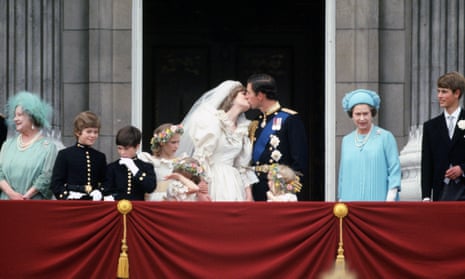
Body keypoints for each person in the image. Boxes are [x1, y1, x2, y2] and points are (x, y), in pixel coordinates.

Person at [177, 80, 258, 201]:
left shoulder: (243, 128)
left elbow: (243, 166)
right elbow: (201, 157)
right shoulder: (211, 122)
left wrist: (249, 194)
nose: (248, 96)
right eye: (243, 93)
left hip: (234, 183)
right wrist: (201, 186)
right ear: (231, 97)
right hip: (212, 179)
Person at [245, 73, 309, 201]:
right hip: (256, 188)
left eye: (248, 92)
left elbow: (299, 162)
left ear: (260, 96)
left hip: (279, 189)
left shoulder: (289, 119)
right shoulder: (255, 122)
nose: (246, 97)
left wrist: (287, 191)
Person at [338, 89, 401, 201]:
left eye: (365, 114)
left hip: (379, 201)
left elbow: (394, 169)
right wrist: (341, 198)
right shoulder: (346, 140)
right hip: (351, 201)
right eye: (357, 114)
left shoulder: (385, 137)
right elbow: (343, 175)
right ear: (351, 115)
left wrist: (391, 195)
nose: (362, 118)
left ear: (372, 114)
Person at [0, 91, 58, 200]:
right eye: (15, 115)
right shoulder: (7, 145)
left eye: (20, 115)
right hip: (6, 204)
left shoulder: (48, 148)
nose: (15, 119)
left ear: (32, 116)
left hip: (33, 205)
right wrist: (11, 194)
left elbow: (46, 177)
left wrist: (26, 197)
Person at [422, 71, 465, 201]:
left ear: (457, 93)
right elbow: (427, 163)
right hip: (440, 192)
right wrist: (426, 196)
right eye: (438, 91)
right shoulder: (430, 126)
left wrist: (462, 169)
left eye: (444, 91)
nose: (439, 96)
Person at [51, 111, 107, 200]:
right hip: (71, 205)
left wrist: (99, 192)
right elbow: (56, 184)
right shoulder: (65, 155)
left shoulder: (100, 157)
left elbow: (105, 182)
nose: (93, 135)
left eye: (95, 132)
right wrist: (67, 195)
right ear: (78, 132)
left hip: (94, 204)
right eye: (89, 131)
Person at [104, 125, 156, 201]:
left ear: (137, 147)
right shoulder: (112, 167)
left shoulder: (146, 166)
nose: (122, 152)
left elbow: (150, 187)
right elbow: (106, 190)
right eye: (119, 148)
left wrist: (135, 170)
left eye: (126, 149)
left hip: (138, 209)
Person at [138, 123, 184, 201]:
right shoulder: (150, 161)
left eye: (178, 142)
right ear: (162, 143)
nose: (177, 146)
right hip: (155, 201)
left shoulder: (181, 161)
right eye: (173, 142)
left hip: (175, 201)